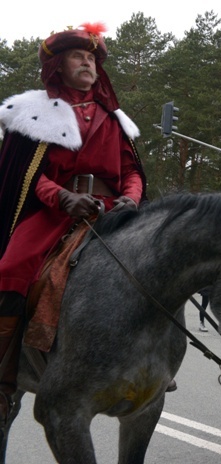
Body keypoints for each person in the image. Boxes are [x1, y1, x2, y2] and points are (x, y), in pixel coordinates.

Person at [0, 23, 147, 421]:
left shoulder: (114, 119)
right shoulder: (31, 113)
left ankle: (153, 361)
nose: (87, 63)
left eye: (91, 58)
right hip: (52, 212)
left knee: (154, 261)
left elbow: (133, 171)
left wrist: (130, 200)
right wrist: (62, 197)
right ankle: (3, 378)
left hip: (111, 211)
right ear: (58, 66)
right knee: (10, 267)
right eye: (78, 57)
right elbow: (26, 176)